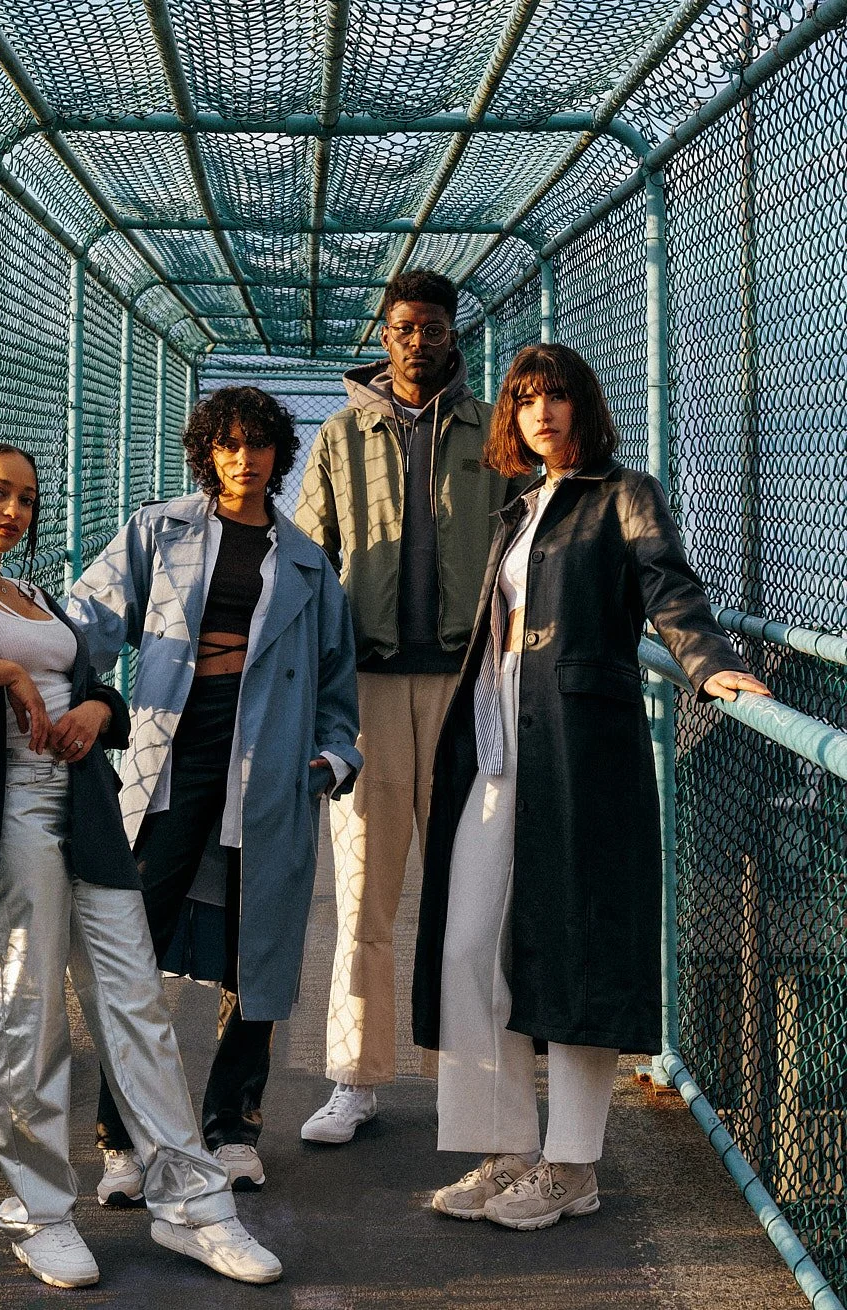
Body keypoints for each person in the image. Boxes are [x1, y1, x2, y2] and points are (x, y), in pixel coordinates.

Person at [0, 443, 282, 1290]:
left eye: (25, 500)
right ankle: (40, 1214)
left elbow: (99, 689)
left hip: (87, 808)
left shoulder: (34, 592)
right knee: (30, 1014)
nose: (13, 512)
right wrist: (9, 674)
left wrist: (93, 709)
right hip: (10, 811)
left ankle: (193, 1206)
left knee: (136, 999)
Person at [412, 344, 771, 1229]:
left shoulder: (624, 493)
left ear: (584, 406)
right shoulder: (521, 503)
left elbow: (669, 588)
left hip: (581, 744)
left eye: (557, 395)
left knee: (579, 943)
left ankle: (572, 1166)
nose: (541, 411)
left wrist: (708, 663)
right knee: (468, 943)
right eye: (526, 398)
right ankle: (506, 1147)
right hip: (499, 735)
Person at [65, 387, 361, 1197]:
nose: (245, 459)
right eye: (229, 445)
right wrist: (31, 662)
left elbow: (337, 687)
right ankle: (124, 1140)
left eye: (259, 444)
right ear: (207, 454)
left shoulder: (308, 564)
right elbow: (88, 622)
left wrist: (331, 762)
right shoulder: (158, 530)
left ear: (278, 454)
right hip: (171, 758)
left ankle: (233, 1128)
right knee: (133, 944)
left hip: (270, 769)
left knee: (255, 950)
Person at [294, 269, 521, 1144]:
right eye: (402, 327)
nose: (417, 340)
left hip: (471, 686)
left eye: (431, 326)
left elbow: (526, 543)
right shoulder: (341, 434)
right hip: (370, 687)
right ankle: (354, 1080)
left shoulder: (494, 432)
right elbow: (310, 554)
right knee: (365, 892)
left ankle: (470, 1082)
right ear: (383, 336)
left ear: (452, 332)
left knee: (472, 893)